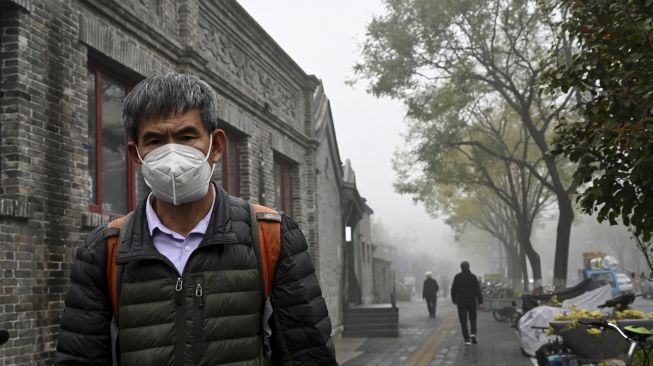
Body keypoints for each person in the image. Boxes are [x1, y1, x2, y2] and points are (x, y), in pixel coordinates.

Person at [55, 73, 338, 366]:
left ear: (215, 146)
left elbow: (309, 355)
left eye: (186, 136)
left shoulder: (271, 236)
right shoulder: (103, 251)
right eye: (154, 140)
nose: (172, 153)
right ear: (136, 154)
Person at [450, 261, 483, 345]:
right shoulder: (473, 277)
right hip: (471, 301)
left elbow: (453, 289)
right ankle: (473, 334)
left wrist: (454, 299)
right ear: (469, 267)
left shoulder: (457, 277)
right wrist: (480, 301)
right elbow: (477, 290)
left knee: (463, 320)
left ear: (461, 267)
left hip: (461, 301)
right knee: (473, 318)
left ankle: (467, 339)